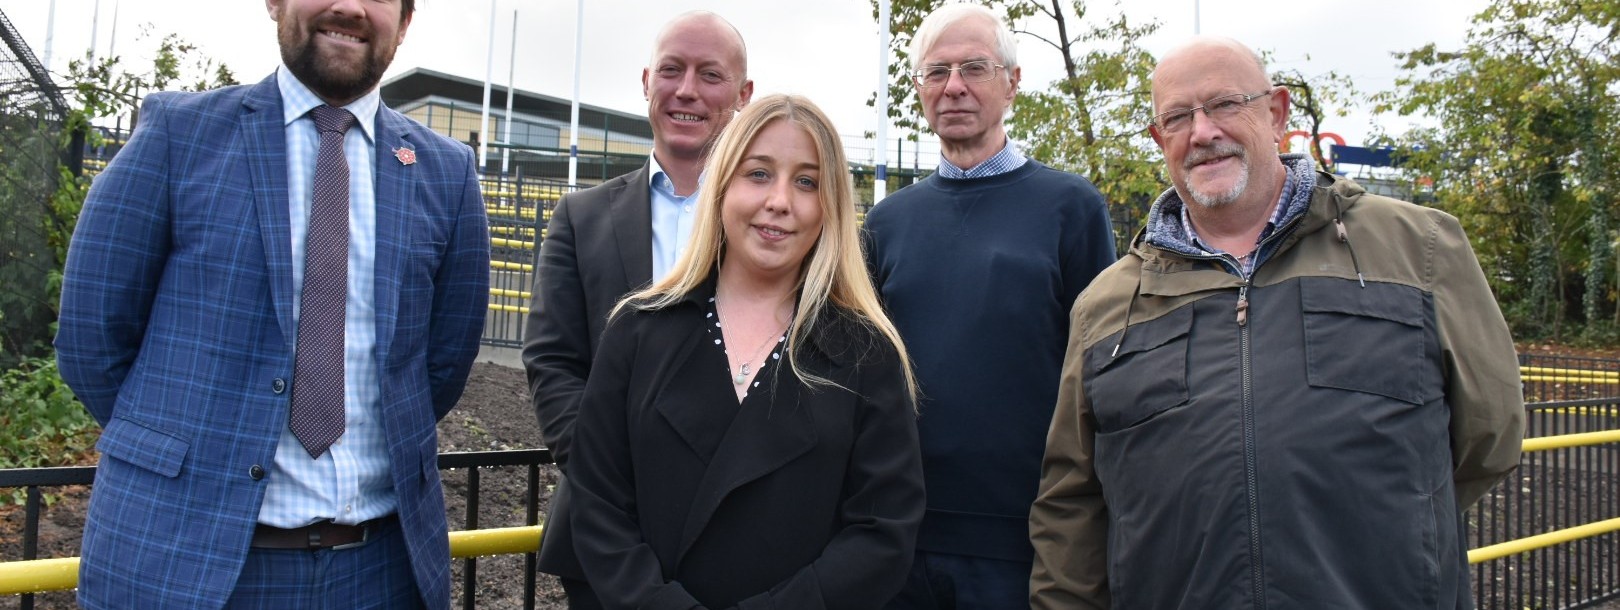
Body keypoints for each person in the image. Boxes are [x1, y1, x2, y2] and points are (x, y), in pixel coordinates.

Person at [1029, 36, 1525, 609]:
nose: (1204, 131)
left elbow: (1488, 437)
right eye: (1179, 117)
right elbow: (1074, 501)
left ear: (1276, 112)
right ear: (1160, 138)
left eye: (1225, 104)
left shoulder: (1421, 248)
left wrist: (1387, 524)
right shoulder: (1108, 305)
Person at [54, 0, 489, 607]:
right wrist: (190, 452)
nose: (349, 7)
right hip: (183, 565)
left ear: (406, 21)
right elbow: (91, 339)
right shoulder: (179, 133)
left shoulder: (446, 172)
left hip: (380, 575)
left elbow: (439, 366)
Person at [564, 93, 924, 609]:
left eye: (807, 182)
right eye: (758, 174)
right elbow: (598, 505)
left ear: (830, 209)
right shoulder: (638, 331)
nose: (780, 200)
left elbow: (883, 530)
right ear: (721, 187)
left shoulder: (867, 354)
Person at [862, 4, 1115, 607]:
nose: (954, 86)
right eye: (936, 72)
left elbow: (1101, 374)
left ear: (1013, 81)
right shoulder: (886, 223)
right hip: (898, 537)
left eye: (974, 67)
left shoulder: (1072, 208)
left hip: (1027, 542)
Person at [520, 11, 753, 607]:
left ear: (745, 94)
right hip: (605, 539)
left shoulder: (773, 222)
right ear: (646, 81)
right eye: (672, 70)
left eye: (711, 75)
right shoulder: (582, 218)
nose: (687, 90)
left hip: (745, 536)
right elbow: (553, 362)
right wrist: (615, 483)